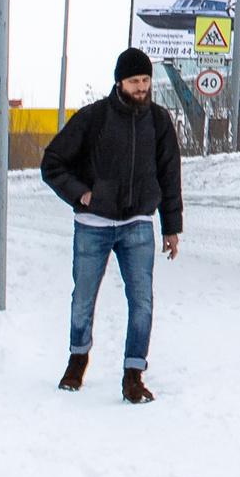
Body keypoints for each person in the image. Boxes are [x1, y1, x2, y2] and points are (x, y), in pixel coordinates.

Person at [40, 49, 181, 404]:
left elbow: (170, 175)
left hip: (137, 225)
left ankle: (133, 375)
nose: (141, 88)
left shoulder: (159, 121)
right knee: (83, 299)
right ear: (120, 81)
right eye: (134, 81)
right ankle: (77, 361)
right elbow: (52, 163)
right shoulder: (92, 119)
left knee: (143, 302)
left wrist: (171, 227)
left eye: (146, 81)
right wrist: (81, 194)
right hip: (93, 224)